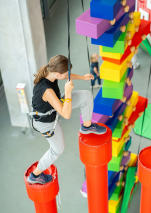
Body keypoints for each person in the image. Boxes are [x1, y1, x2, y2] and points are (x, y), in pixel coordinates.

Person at [27, 55, 107, 184]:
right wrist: (67, 92)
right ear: (57, 73)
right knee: (57, 150)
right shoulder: (46, 89)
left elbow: (65, 75)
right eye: (65, 73)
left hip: (54, 105)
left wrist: (83, 77)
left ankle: (87, 126)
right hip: (46, 123)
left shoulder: (51, 71)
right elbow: (66, 114)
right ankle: (35, 175)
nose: (66, 76)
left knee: (86, 96)